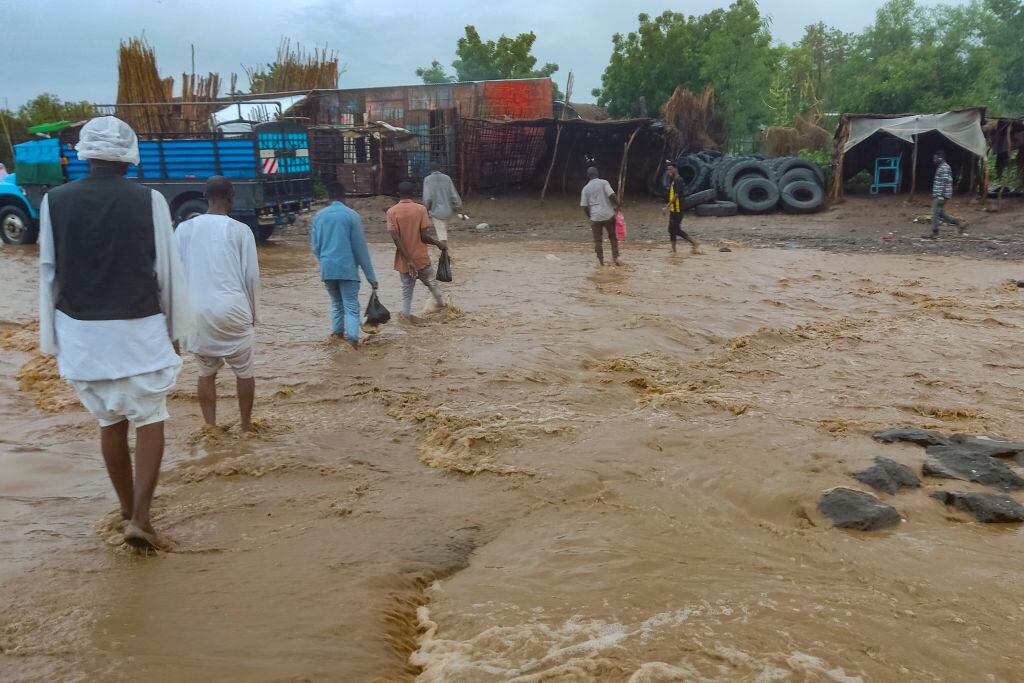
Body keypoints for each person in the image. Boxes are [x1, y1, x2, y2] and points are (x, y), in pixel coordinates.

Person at [38, 116, 193, 551]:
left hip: (81, 333)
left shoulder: (55, 201)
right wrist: (175, 330)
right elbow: (167, 271)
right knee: (150, 418)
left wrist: (51, 340)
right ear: (130, 156)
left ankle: (126, 510)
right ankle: (142, 518)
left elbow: (48, 273)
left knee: (109, 421)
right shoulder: (150, 201)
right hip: (138, 327)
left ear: (84, 153)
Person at [175, 176, 261, 431]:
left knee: (206, 372)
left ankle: (210, 427)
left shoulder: (183, 229)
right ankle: (246, 425)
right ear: (231, 197)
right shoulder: (239, 230)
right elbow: (251, 276)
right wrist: (255, 314)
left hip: (196, 311)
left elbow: (174, 275)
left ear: (205, 198)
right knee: (244, 371)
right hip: (233, 310)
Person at [311, 181, 378, 347]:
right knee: (351, 306)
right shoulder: (351, 216)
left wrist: (325, 262)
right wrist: (371, 277)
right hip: (347, 270)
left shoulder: (319, 216)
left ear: (329, 197)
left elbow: (315, 247)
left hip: (327, 269)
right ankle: (353, 340)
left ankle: (337, 335)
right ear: (344, 196)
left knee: (336, 304)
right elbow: (360, 249)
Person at [387, 181, 446, 318]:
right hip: (421, 258)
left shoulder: (391, 212)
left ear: (399, 194)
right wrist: (438, 243)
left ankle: (406, 319)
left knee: (407, 292)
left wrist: (408, 260)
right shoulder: (420, 209)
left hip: (404, 261)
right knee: (432, 284)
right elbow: (424, 236)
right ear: (413, 194)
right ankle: (444, 310)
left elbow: (396, 239)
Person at [580, 167, 621, 266]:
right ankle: (615, 259)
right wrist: (618, 205)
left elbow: (584, 206)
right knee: (613, 237)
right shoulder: (604, 183)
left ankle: (601, 262)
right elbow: (612, 195)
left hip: (595, 217)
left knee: (597, 241)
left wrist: (590, 216)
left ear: (588, 176)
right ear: (597, 173)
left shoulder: (585, 188)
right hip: (608, 215)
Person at [422, 162, 463, 249]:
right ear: (440, 169)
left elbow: (427, 198)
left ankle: (444, 254)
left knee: (442, 234)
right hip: (448, 211)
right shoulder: (447, 178)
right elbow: (454, 195)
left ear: (431, 169)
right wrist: (459, 208)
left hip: (436, 212)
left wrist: (425, 210)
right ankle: (444, 252)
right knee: (444, 231)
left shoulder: (428, 179)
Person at [929, 150, 967, 238]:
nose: (934, 160)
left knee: (935, 212)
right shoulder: (942, 167)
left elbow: (945, 181)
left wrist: (941, 195)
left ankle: (935, 232)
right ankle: (959, 223)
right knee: (942, 214)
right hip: (940, 194)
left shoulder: (944, 168)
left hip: (941, 195)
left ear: (940, 158)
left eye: (935, 158)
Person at [665, 162, 702, 254]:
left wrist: (667, 206)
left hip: (677, 208)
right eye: (667, 169)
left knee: (676, 229)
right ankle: (674, 250)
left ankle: (694, 242)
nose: (668, 171)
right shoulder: (673, 179)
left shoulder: (678, 180)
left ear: (675, 169)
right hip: (673, 208)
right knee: (671, 229)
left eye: (670, 169)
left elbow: (676, 195)